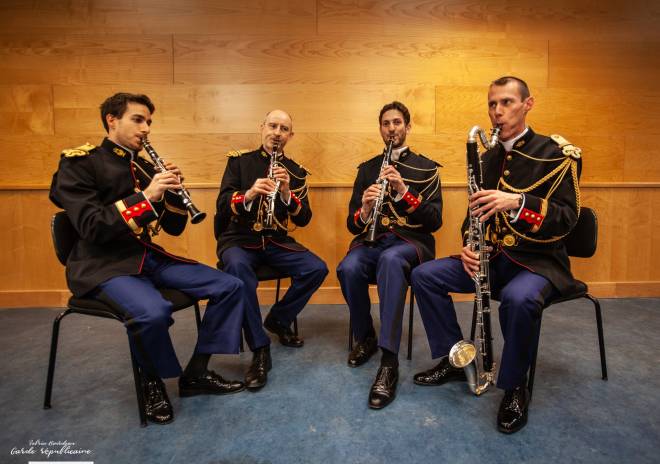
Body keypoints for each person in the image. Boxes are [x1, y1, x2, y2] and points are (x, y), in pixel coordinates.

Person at [49, 93, 246, 425]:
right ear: (112, 120)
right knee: (153, 312)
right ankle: (151, 382)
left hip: (144, 257)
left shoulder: (142, 166)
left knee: (230, 285)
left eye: (149, 122)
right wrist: (146, 196)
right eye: (138, 120)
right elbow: (92, 226)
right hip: (101, 264)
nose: (146, 128)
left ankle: (195, 373)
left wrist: (171, 193)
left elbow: (173, 226)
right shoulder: (80, 163)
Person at [411, 76, 582, 433]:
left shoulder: (556, 154)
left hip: (539, 261)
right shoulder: (486, 157)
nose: (497, 112)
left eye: (506, 103)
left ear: (527, 104)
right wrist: (469, 246)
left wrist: (518, 202)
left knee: (518, 301)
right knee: (424, 276)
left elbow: (567, 219)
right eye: (492, 104)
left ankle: (515, 386)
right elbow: (473, 214)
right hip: (493, 258)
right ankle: (456, 358)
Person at [336, 101, 443, 409]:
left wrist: (402, 191)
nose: (392, 128)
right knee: (348, 267)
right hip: (374, 241)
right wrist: (367, 209)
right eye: (386, 123)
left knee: (391, 261)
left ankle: (389, 361)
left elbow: (435, 221)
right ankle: (366, 336)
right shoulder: (367, 169)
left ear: (407, 127)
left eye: (397, 122)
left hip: (412, 243)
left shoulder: (427, 168)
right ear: (381, 128)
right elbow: (350, 223)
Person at [215, 109, 328, 391]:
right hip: (240, 239)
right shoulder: (239, 162)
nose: (277, 132)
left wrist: (288, 193)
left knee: (317, 268)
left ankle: (278, 319)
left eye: (284, 128)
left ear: (290, 136)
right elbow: (222, 203)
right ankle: (260, 347)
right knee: (239, 271)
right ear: (261, 127)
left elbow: (304, 218)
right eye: (273, 126)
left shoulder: (297, 171)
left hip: (276, 240)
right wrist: (251, 194)